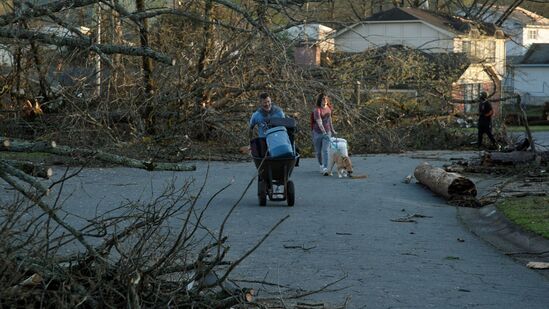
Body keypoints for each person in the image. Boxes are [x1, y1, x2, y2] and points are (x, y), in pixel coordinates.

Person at [312, 93, 336, 175]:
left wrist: (332, 130)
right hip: (317, 133)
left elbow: (330, 120)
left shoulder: (328, 109)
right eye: (323, 99)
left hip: (327, 131)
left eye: (326, 99)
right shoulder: (317, 110)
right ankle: (321, 165)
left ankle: (326, 168)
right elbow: (319, 122)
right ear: (320, 100)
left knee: (325, 150)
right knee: (318, 152)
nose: (324, 101)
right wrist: (324, 132)